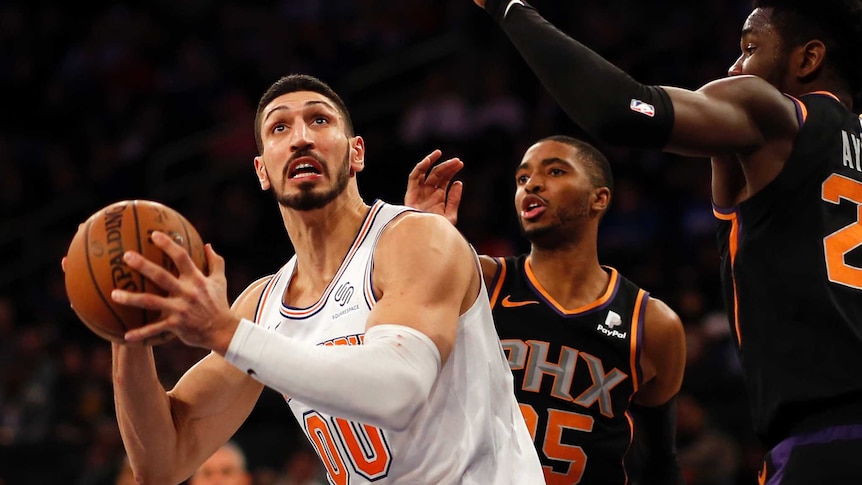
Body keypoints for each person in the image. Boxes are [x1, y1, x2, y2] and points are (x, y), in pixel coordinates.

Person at [469, 0, 862, 482]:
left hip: (825, 443)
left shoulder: (772, 116)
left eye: (749, 48)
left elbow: (619, 109)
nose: (734, 67)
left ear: (808, 59)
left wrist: (510, 8)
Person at [105, 74, 544, 484]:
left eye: (319, 120)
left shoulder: (416, 237)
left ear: (357, 152)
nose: (300, 138)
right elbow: (161, 461)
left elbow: (399, 391)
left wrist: (223, 331)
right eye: (279, 128)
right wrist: (125, 329)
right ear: (261, 170)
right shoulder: (261, 307)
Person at [406, 136, 687, 485]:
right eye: (522, 179)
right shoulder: (480, 281)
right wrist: (420, 242)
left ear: (598, 199)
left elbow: (659, 464)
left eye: (555, 171)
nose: (532, 184)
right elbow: (392, 334)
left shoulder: (651, 323)